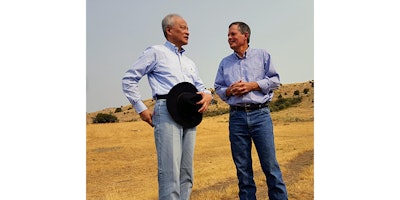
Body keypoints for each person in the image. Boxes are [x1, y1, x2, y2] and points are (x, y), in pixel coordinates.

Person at [122, 13, 213, 200]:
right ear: (169, 30)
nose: (188, 32)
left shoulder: (190, 63)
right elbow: (129, 79)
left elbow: (201, 86)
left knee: (187, 173)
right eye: (183, 27)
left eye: (188, 28)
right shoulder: (155, 52)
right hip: (166, 109)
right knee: (170, 172)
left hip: (189, 111)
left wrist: (208, 95)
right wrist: (141, 109)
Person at [214, 21, 288, 200]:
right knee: (243, 169)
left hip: (260, 115)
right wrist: (230, 90)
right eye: (228, 35)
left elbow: (275, 81)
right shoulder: (225, 63)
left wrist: (252, 85)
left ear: (245, 35)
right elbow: (218, 88)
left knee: (270, 166)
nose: (229, 38)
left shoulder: (262, 55)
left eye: (233, 34)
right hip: (236, 117)